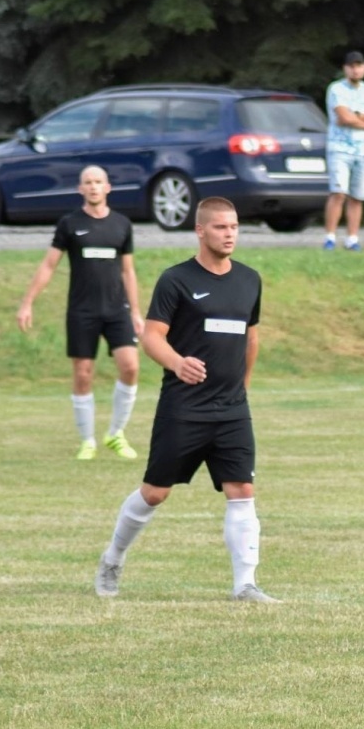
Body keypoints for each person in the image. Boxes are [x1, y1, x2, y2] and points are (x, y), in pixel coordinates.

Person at [95, 197, 276, 603]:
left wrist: (241, 386)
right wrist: (178, 363)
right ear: (200, 230)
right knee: (155, 492)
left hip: (231, 409)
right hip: (184, 407)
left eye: (233, 227)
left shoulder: (249, 279)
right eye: (220, 228)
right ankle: (113, 557)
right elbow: (151, 336)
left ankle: (244, 584)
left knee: (242, 489)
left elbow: (251, 337)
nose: (229, 234)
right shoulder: (176, 280)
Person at [16, 165, 144, 461]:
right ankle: (87, 440)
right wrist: (27, 302)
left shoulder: (122, 224)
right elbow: (49, 265)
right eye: (88, 182)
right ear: (80, 189)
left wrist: (136, 311)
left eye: (99, 181)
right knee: (83, 374)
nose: (94, 187)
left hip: (117, 310)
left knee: (131, 367)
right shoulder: (70, 224)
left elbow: (128, 270)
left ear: (107, 187)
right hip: (82, 310)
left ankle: (115, 433)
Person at [323, 51, 364, 252]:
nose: (355, 69)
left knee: (357, 196)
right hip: (339, 149)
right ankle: (330, 237)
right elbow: (343, 117)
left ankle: (352, 238)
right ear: (345, 68)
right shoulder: (336, 89)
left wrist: (356, 115)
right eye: (351, 66)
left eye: (359, 65)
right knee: (339, 192)